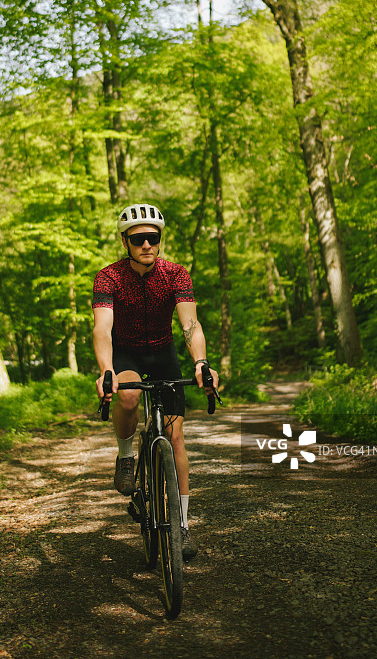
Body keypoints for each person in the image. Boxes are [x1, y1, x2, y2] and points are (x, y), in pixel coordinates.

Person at [92, 202, 219, 561]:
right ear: (125, 242)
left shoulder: (176, 274)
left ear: (160, 239)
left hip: (163, 353)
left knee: (176, 438)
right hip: (126, 355)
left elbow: (190, 324)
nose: (146, 244)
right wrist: (107, 371)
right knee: (129, 397)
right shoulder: (109, 277)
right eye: (138, 239)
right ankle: (126, 456)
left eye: (153, 237)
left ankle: (181, 525)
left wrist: (201, 363)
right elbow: (102, 327)